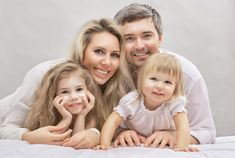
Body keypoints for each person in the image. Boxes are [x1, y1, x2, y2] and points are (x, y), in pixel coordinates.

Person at [0, 18, 134, 149]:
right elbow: (6, 128)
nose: (107, 62)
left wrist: (96, 134)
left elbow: (107, 124)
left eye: (115, 55)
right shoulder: (44, 74)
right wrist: (28, 136)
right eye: (99, 51)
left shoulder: (113, 86)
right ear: (82, 51)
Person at [113, 3, 216, 147]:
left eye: (147, 36)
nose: (139, 45)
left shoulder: (187, 74)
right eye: (129, 38)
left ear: (160, 38)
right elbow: (102, 121)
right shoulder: (112, 71)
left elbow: (206, 131)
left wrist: (175, 135)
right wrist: (118, 132)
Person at [95, 53, 198, 152]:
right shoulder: (132, 101)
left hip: (161, 142)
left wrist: (183, 146)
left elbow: (183, 126)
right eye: (153, 79)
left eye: (168, 82)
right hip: (135, 141)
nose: (160, 86)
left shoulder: (174, 103)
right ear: (141, 79)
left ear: (175, 87)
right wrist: (104, 144)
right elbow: (112, 121)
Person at [24, 60, 103, 146]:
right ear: (54, 96)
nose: (74, 97)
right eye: (65, 92)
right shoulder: (50, 115)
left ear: (89, 90)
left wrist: (81, 116)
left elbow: (75, 143)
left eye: (79, 89)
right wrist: (66, 118)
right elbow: (54, 139)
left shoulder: (90, 116)